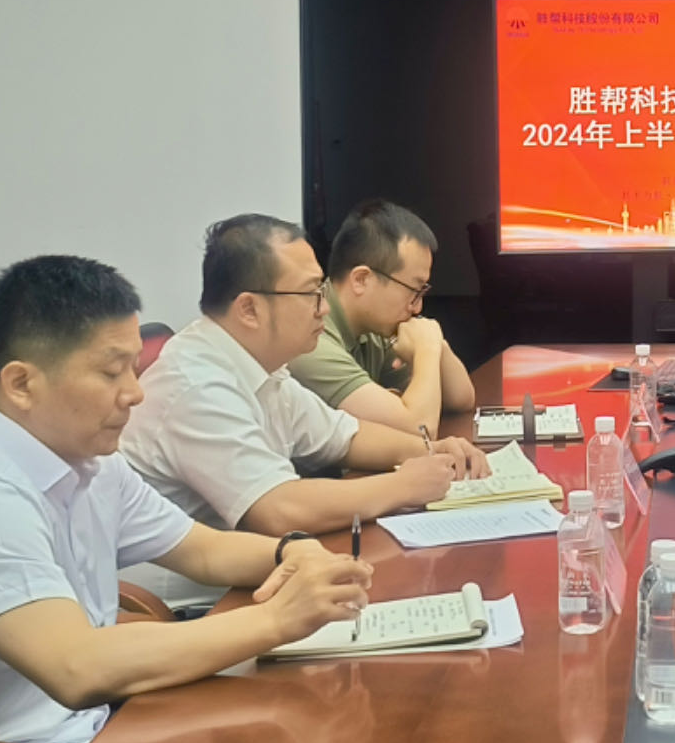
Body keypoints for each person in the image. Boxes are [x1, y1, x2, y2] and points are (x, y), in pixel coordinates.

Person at [0, 256, 370, 743]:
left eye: (134, 369)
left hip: (76, 738)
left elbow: (203, 550)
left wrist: (293, 550)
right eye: (112, 373)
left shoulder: (87, 461)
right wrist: (277, 619)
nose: (135, 394)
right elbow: (78, 668)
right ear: (21, 383)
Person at [121, 215, 488, 547]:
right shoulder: (197, 386)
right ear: (249, 309)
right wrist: (404, 485)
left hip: (261, 566)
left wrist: (431, 451)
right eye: (310, 294)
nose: (324, 307)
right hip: (200, 594)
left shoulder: (263, 368)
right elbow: (278, 510)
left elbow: (346, 437)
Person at [288, 200, 476, 432]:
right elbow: (420, 430)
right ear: (361, 280)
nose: (417, 308)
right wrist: (426, 350)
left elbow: (461, 400)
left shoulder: (374, 328)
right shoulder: (310, 341)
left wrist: (435, 343)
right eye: (413, 290)